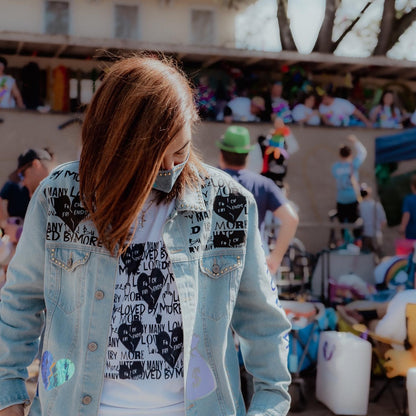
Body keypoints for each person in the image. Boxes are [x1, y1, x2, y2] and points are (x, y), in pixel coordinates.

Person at [0, 55, 291, 416]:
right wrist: (8, 394)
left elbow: (264, 323)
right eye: (154, 158)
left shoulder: (228, 204)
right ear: (115, 145)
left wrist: (269, 406)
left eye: (181, 151)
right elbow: (19, 302)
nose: (170, 167)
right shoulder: (61, 195)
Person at [217, 125, 299, 275]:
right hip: (253, 265)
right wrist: (275, 259)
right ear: (247, 156)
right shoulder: (263, 185)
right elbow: (291, 219)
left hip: (215, 265)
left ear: (221, 154)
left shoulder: (207, 181)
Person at [331, 134, 367, 240]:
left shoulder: (335, 167)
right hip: (352, 198)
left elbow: (336, 176)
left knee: (343, 225)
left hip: (341, 199)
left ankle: (346, 243)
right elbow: (363, 153)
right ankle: (357, 243)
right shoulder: (353, 165)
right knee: (356, 223)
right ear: (350, 154)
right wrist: (355, 141)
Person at [358, 183, 387, 258]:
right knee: (378, 259)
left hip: (365, 235)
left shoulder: (360, 206)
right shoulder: (376, 205)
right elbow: (383, 221)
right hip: (376, 234)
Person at [399, 174, 416, 240]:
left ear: (412, 186)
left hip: (412, 233)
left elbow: (406, 214)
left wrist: (402, 228)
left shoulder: (408, 199)